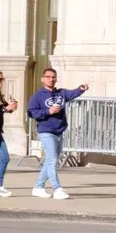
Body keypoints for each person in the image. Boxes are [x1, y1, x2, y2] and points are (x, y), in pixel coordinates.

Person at [26, 66, 88, 201]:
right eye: (48, 77)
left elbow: (73, 93)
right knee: (53, 160)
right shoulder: (37, 97)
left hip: (59, 130)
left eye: (53, 77)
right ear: (42, 79)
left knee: (50, 160)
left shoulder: (61, 93)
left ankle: (38, 187)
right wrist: (48, 112)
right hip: (46, 131)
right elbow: (31, 112)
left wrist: (81, 88)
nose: (51, 79)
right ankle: (57, 188)